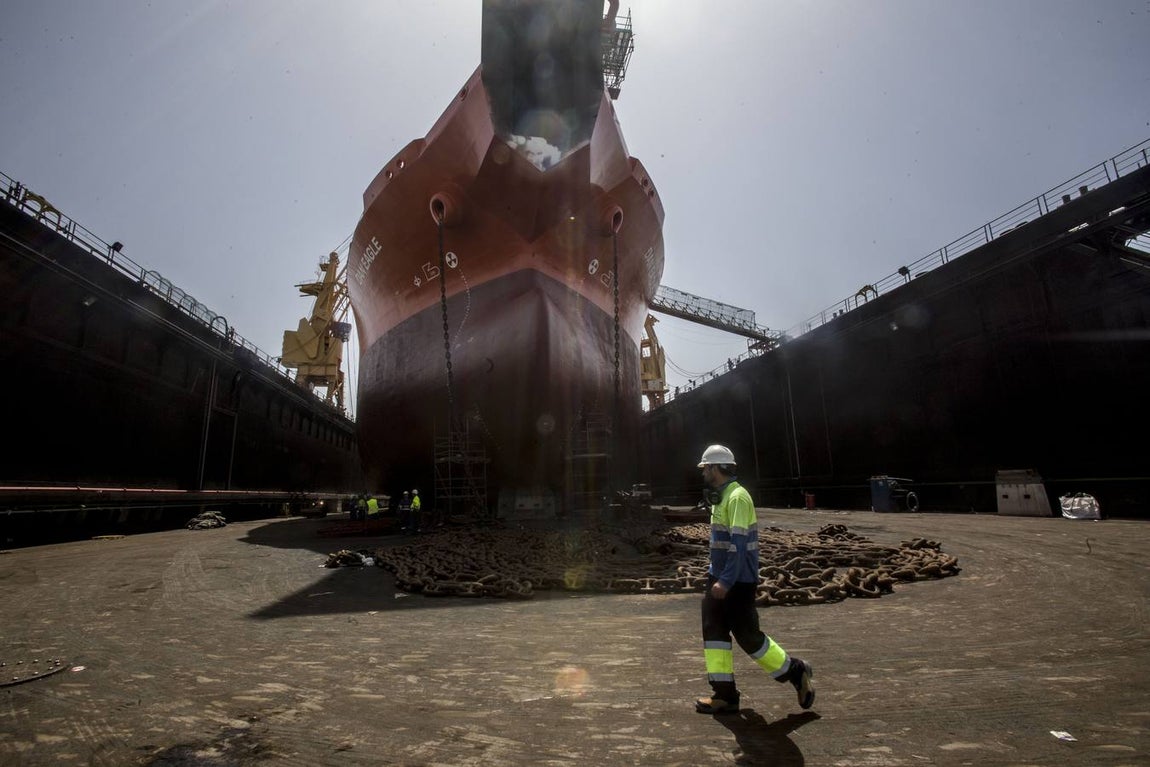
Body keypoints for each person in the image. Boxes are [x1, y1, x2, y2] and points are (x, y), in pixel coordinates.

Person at [694, 444, 815, 714]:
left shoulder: (737, 498)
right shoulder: (721, 496)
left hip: (737, 582)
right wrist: (714, 574)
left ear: (715, 468)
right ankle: (724, 695)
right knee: (714, 635)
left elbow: (738, 545)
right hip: (719, 577)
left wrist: (725, 581)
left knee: (749, 637)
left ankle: (796, 671)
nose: (703, 473)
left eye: (705, 468)